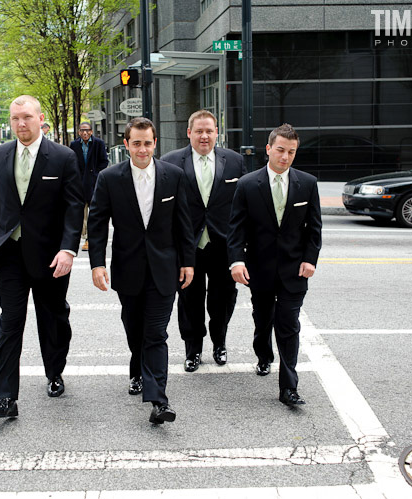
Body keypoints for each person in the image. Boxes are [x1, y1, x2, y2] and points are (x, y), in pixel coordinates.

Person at [0, 95, 84, 419]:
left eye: (26, 117)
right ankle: (5, 397)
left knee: (53, 319)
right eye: (15, 118)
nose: (21, 123)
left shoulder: (63, 157)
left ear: (41, 119)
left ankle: (55, 372)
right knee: (10, 322)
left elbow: (73, 208)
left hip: (51, 256)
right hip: (10, 254)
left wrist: (68, 249)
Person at [87, 117, 194, 425]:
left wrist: (188, 262)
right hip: (128, 267)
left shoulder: (173, 176)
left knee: (156, 333)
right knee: (135, 330)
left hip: (165, 267)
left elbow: (183, 223)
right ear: (127, 144)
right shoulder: (109, 178)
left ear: (155, 143)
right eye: (137, 143)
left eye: (148, 143)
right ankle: (137, 370)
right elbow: (96, 225)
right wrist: (97, 264)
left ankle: (159, 400)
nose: (143, 149)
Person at [227, 123, 321, 406]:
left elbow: (313, 229)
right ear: (268, 149)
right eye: (280, 150)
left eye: (291, 151)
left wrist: (310, 259)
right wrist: (236, 261)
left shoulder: (307, 183)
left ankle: (289, 388)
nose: (285, 156)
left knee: (289, 324)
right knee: (263, 318)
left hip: (294, 270)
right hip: (261, 268)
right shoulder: (247, 184)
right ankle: (263, 355)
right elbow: (236, 230)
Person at [161, 110, 246, 372]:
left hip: (223, 245)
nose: (204, 136)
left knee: (224, 299)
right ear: (189, 133)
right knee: (189, 300)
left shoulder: (234, 162)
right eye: (199, 131)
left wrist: (242, 248)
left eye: (209, 130)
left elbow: (242, 206)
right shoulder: (171, 162)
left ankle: (219, 342)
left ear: (217, 132)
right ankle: (193, 349)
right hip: (188, 246)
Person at [70, 121, 108, 251]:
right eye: (82, 130)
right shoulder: (74, 145)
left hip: (94, 182)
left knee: (94, 213)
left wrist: (97, 175)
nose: (85, 133)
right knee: (81, 213)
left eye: (87, 130)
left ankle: (89, 240)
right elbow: (72, 162)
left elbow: (104, 161)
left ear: (91, 131)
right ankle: (84, 236)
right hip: (80, 183)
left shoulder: (98, 144)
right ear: (79, 132)